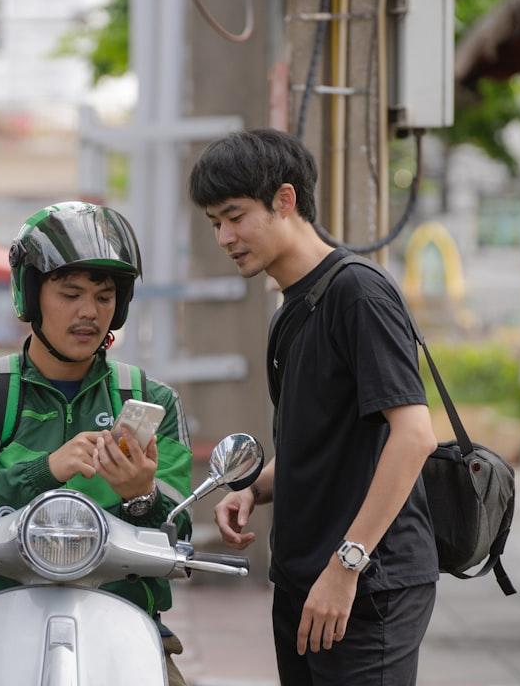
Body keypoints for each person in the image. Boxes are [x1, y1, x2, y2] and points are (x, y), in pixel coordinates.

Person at [0, 202, 194, 686]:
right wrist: (45, 470)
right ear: (30, 294)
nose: (89, 312)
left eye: (104, 296)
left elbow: (181, 537)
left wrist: (141, 496)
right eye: (70, 293)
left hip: (122, 611)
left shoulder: (153, 401)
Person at [188, 129, 439, 685]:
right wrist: (254, 490)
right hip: (305, 580)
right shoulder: (289, 312)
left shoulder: (359, 293)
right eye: (214, 224)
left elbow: (414, 436)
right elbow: (321, 445)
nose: (225, 237)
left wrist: (347, 566)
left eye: (235, 216)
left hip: (369, 583)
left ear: (285, 199)